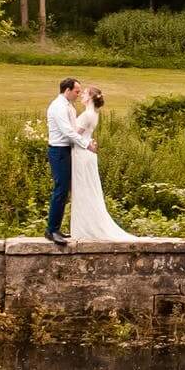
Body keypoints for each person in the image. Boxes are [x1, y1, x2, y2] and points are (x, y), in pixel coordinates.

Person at [69, 86, 137, 241]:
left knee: (83, 190)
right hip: (87, 153)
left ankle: (84, 230)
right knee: (87, 189)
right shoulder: (94, 114)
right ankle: (84, 228)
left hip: (82, 154)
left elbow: (73, 136)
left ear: (91, 97)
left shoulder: (87, 115)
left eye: (85, 93)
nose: (81, 96)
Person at [44, 77, 92, 245]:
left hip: (66, 150)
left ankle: (55, 228)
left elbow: (74, 130)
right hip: (58, 151)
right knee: (61, 189)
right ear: (67, 90)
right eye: (77, 91)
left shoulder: (69, 106)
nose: (79, 94)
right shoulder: (58, 107)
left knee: (64, 190)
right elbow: (67, 132)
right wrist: (86, 145)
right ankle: (51, 230)